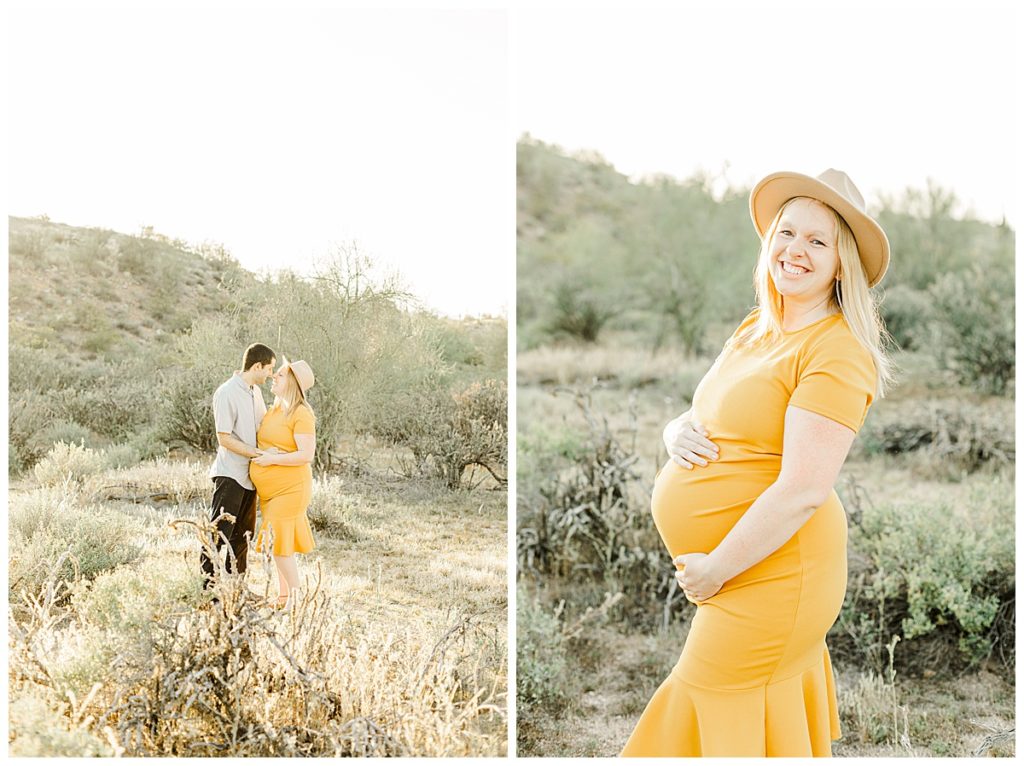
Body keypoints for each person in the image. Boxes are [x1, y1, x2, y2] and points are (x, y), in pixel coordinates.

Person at [622, 169, 894, 757]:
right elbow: (709, 413)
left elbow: (801, 490)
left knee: (700, 703)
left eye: (818, 241)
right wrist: (674, 432)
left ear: (842, 262)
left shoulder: (837, 350)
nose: (795, 250)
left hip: (776, 571)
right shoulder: (757, 328)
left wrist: (717, 567)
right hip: (743, 567)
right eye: (786, 232)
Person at [201, 342, 276, 588]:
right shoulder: (226, 392)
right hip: (230, 475)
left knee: (243, 537)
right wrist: (256, 453)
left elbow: (262, 425)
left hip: (250, 477)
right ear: (257, 366)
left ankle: (236, 591)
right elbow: (224, 438)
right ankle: (207, 590)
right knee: (218, 535)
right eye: (269, 369)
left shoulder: (254, 391)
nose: (270, 374)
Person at [249, 357, 317, 610]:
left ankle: (298, 600)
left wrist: (274, 459)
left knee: (278, 545)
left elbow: (306, 454)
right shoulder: (275, 409)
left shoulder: (301, 414)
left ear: (292, 383)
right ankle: (283, 598)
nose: (273, 377)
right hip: (271, 493)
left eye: (279, 375)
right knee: (280, 545)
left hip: (291, 490)